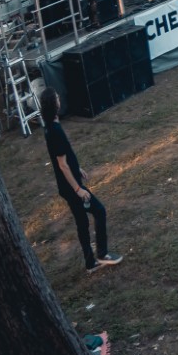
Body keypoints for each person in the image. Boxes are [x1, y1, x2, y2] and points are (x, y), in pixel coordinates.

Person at [42, 89, 122, 273]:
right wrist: (78, 189)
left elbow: (61, 156)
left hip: (67, 185)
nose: (59, 100)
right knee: (99, 211)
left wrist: (77, 168)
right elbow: (62, 165)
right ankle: (102, 254)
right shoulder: (55, 131)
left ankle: (90, 263)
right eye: (57, 98)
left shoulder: (50, 126)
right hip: (71, 188)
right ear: (54, 104)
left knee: (82, 223)